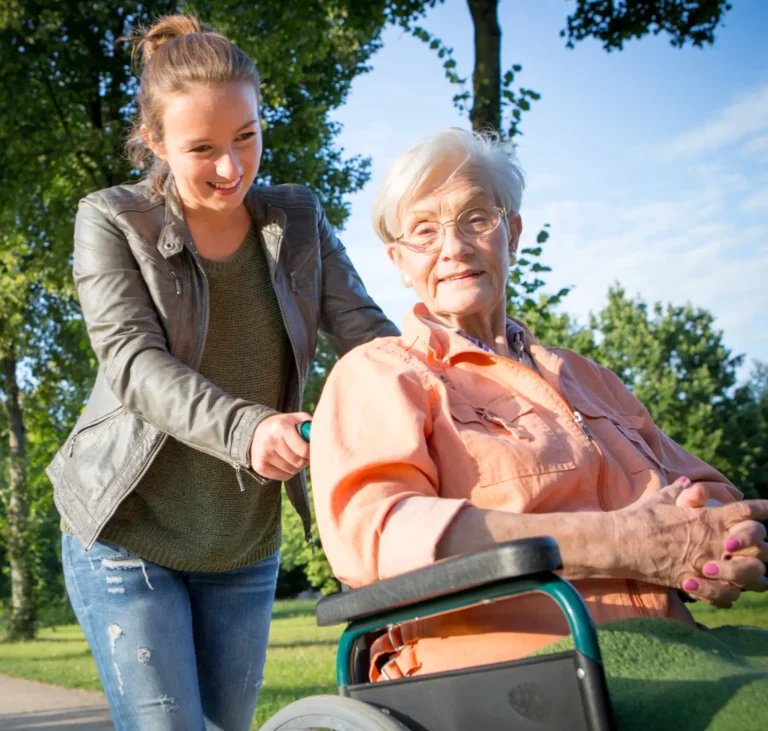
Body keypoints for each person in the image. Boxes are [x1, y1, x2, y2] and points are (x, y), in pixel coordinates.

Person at [309, 127, 768, 682]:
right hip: (513, 673)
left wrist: (723, 542)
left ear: (513, 233)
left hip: (672, 647)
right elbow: (380, 536)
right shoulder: (381, 374)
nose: (453, 247)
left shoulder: (586, 376)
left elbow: (709, 490)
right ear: (400, 262)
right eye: (424, 232)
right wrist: (626, 543)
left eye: (476, 219)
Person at [47, 14, 398, 731]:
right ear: (154, 141)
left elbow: (369, 339)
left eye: (247, 137)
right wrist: (248, 428)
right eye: (202, 149)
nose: (232, 169)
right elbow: (134, 363)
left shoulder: (297, 219)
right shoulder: (112, 220)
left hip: (241, 542)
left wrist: (450, 374)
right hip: (127, 528)